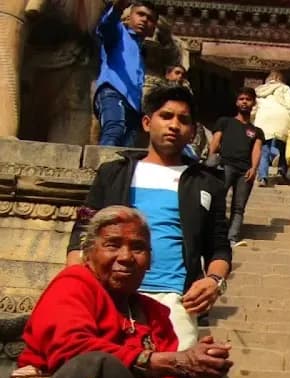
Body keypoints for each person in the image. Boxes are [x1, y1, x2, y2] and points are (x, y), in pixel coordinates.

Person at [0, 205, 232, 378]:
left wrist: (198, 371)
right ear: (88, 254)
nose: (126, 257)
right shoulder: (74, 284)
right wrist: (169, 361)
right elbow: (69, 350)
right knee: (101, 365)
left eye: (138, 248)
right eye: (112, 245)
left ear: (150, 261)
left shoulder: (155, 313)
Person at [67, 85, 232, 351]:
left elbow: (220, 246)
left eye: (183, 120)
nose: (174, 125)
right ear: (147, 122)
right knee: (103, 368)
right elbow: (82, 232)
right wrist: (77, 283)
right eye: (166, 116)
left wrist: (214, 281)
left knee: (174, 373)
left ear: (192, 132)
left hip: (175, 300)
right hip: (109, 292)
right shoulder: (114, 173)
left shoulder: (207, 183)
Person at [94, 0, 158, 147]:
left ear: (153, 28)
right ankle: (103, 162)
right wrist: (117, 8)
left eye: (150, 18)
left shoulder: (141, 51)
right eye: (140, 14)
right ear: (129, 17)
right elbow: (106, 26)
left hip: (134, 105)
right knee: (114, 130)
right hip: (113, 92)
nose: (144, 20)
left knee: (127, 147)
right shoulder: (119, 33)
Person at [207, 87, 264, 247]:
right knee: (217, 201)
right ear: (236, 102)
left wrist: (254, 168)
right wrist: (212, 159)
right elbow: (215, 142)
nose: (244, 102)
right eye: (241, 99)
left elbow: (257, 150)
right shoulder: (225, 122)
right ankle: (214, 234)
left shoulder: (256, 131)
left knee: (239, 207)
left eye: (248, 99)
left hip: (244, 171)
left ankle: (232, 237)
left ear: (253, 103)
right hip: (225, 165)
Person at [252, 71, 290, 184]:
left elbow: (254, 109)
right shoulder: (284, 88)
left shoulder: (258, 90)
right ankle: (281, 169)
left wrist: (252, 122)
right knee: (283, 147)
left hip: (263, 119)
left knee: (264, 149)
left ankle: (263, 177)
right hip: (282, 118)